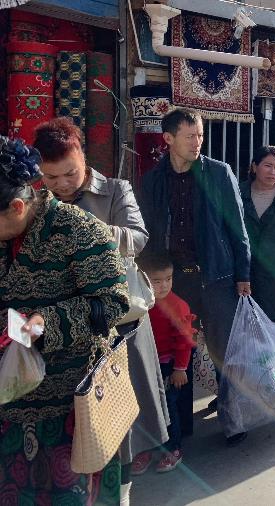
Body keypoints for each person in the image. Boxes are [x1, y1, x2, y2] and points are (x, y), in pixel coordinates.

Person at [33, 118, 169, 496]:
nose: (61, 184)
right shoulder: (38, 200)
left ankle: (122, 490)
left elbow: (139, 238)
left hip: (118, 324)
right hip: (65, 325)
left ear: (83, 157)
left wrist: (89, 231)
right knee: (75, 424)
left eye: (69, 173)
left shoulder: (114, 190)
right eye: (51, 177)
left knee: (117, 415)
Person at [0, 136, 129, 504]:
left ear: (17, 207)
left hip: (69, 406)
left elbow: (112, 301)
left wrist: (47, 322)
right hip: (8, 403)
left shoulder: (77, 229)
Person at [138, 108, 252, 445]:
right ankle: (180, 425)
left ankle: (234, 420)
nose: (197, 142)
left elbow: (238, 226)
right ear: (169, 138)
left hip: (216, 276)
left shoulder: (219, 173)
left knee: (225, 352)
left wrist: (243, 274)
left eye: (200, 135)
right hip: (174, 281)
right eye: (190, 136)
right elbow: (148, 230)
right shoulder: (153, 179)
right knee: (177, 350)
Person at [141, 252, 196, 473]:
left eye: (169, 279)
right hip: (145, 364)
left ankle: (172, 449)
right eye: (156, 281)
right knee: (144, 407)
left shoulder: (178, 305)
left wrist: (180, 368)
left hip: (168, 367)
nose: (164, 285)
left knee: (168, 408)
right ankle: (144, 449)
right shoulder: (140, 302)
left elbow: (185, 340)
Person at [239, 146, 275, 322]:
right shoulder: (238, 193)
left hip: (273, 276)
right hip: (242, 272)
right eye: (267, 165)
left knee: (270, 324)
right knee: (242, 324)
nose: (273, 172)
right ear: (254, 167)